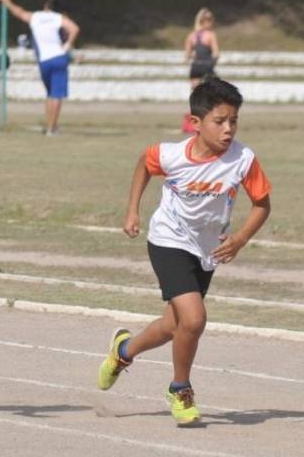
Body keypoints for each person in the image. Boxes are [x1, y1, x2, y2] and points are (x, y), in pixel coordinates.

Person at [98, 78, 271, 426]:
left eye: (234, 120)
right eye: (219, 121)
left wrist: (238, 240)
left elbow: (262, 205)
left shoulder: (243, 159)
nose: (228, 129)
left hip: (209, 250)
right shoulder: (171, 154)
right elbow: (144, 166)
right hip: (168, 240)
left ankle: (123, 351)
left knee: (174, 325)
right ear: (195, 123)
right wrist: (132, 209)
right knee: (194, 319)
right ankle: (180, 389)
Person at [0, 0, 79, 136]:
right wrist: (67, 45)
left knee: (50, 94)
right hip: (59, 57)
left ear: (45, 7)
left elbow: (20, 13)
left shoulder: (35, 17)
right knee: (57, 94)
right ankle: (52, 128)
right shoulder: (58, 18)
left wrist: (8, 2)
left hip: (44, 60)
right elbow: (75, 29)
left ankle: (50, 125)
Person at [185, 8, 220, 89]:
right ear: (205, 21)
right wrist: (212, 63)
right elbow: (216, 54)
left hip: (195, 67)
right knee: (212, 92)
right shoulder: (211, 35)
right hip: (207, 66)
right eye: (210, 20)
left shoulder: (191, 36)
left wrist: (194, 55)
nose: (212, 22)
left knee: (196, 94)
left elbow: (187, 57)